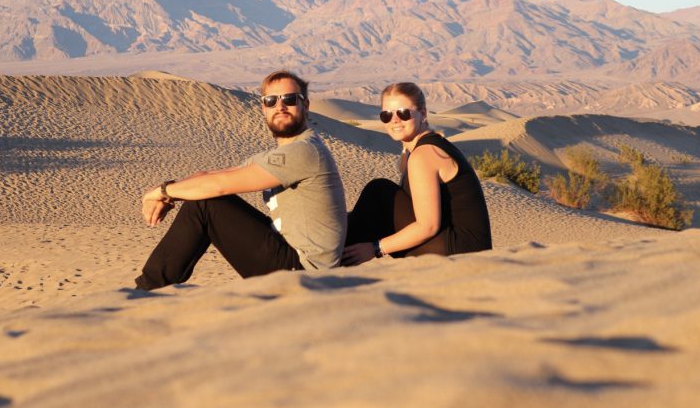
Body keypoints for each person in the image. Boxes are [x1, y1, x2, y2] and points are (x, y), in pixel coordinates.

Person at [135, 70, 347, 289]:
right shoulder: (282, 155)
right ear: (264, 108)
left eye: (290, 99)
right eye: (271, 101)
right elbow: (210, 177)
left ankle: (144, 292)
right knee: (204, 197)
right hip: (289, 256)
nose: (280, 106)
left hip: (304, 273)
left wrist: (162, 192)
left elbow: (218, 187)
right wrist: (169, 192)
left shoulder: (304, 152)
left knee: (205, 203)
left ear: (306, 105)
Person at [341, 82, 491, 266]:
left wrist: (375, 248)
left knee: (379, 193)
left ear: (423, 113)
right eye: (386, 115)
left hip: (460, 254)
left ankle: (324, 260)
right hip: (459, 248)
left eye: (403, 113)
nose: (395, 120)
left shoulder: (424, 154)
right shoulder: (416, 151)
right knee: (373, 202)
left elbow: (428, 226)